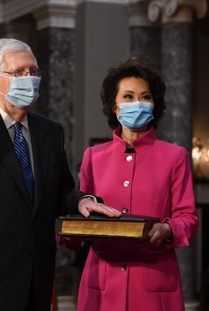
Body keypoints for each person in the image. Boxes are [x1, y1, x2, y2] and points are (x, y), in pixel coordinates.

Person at [0, 38, 120, 311]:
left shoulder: (50, 131)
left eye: (34, 72)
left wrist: (80, 201)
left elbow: (61, 188)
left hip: (35, 276)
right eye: (19, 73)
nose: (30, 79)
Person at [76, 57, 199, 311]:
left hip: (154, 283)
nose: (138, 103)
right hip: (102, 283)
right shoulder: (93, 157)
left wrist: (168, 228)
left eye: (145, 97)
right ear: (115, 107)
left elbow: (188, 218)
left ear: (155, 105)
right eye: (129, 97)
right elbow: (80, 210)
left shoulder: (175, 156)